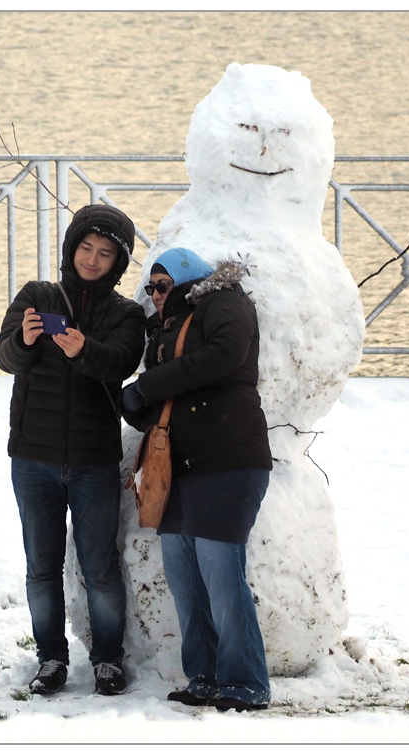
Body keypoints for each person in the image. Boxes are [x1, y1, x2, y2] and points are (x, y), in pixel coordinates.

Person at [0, 204, 146, 696]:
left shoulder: (126, 313)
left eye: (105, 254)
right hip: (33, 456)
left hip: (93, 462)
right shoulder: (37, 295)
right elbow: (5, 357)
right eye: (86, 248)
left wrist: (84, 350)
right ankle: (50, 660)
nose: (93, 259)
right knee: (41, 566)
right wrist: (24, 338)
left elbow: (120, 361)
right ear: (71, 247)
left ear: (117, 264)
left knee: (99, 566)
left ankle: (107, 660)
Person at [121, 247, 273, 712]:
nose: (156, 295)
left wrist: (148, 386)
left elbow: (224, 355)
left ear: (188, 280)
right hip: (180, 468)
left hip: (228, 460)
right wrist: (135, 402)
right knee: (185, 578)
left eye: (163, 285)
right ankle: (203, 677)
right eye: (150, 288)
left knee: (221, 573)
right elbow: (166, 391)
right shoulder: (168, 328)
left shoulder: (225, 301)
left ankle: (246, 682)